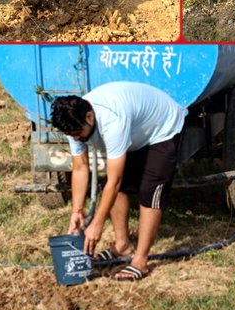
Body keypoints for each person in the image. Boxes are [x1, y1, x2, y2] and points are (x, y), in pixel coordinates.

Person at [50, 82, 187, 282]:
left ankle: (140, 260)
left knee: (150, 191)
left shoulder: (111, 119)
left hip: (161, 129)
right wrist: (76, 211)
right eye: (73, 136)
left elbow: (114, 181)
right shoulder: (73, 122)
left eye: (78, 133)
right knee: (120, 189)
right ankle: (122, 246)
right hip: (134, 132)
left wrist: (97, 224)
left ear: (90, 117)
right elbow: (80, 167)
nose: (77, 138)